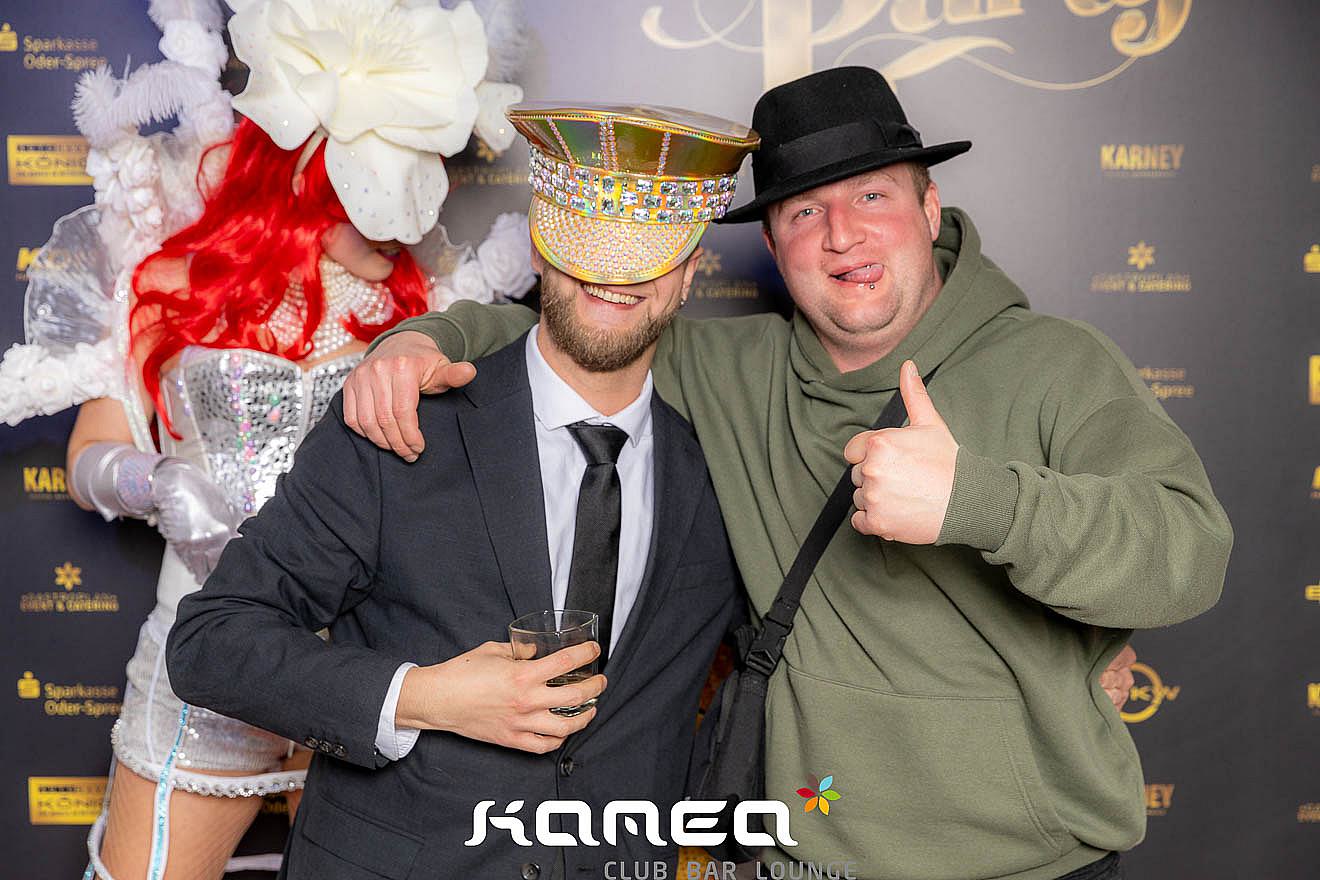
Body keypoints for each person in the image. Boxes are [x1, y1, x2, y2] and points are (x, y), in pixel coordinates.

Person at [341, 67, 1231, 880]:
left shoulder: (1057, 364)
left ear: (930, 209)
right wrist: (427, 337)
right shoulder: (733, 370)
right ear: (773, 244)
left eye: (873, 195)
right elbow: (581, 329)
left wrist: (982, 503)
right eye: (805, 212)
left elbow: (1189, 555)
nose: (842, 234)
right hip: (808, 858)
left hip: (1029, 866)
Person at [0, 2, 529, 876]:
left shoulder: (426, 311)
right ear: (315, 172)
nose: (404, 221)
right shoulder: (172, 279)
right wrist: (154, 483)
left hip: (365, 671)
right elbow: (89, 453)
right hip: (207, 655)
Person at [165, 103, 758, 879]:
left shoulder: (724, 466)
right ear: (540, 243)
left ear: (688, 273)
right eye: (586, 245)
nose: (613, 276)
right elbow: (210, 642)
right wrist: (425, 697)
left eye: (644, 256)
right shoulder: (400, 420)